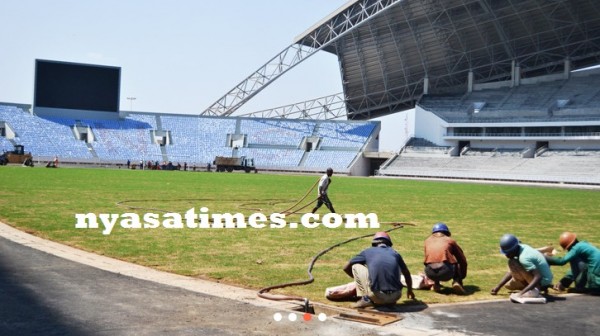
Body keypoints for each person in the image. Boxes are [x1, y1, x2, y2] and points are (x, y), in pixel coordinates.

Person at [343, 231, 415, 308]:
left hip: (377, 296)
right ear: (389, 243)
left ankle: (366, 299)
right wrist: (409, 290)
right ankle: (388, 301)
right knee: (397, 267)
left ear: (374, 243)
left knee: (356, 266)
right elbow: (406, 273)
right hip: (396, 296)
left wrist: (359, 282)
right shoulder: (395, 253)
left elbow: (346, 267)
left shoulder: (367, 251)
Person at [491, 234, 553, 300]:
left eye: (507, 253)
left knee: (512, 263)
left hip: (542, 281)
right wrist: (498, 287)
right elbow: (511, 272)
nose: (506, 255)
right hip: (546, 279)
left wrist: (522, 293)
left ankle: (535, 290)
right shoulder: (522, 247)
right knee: (508, 285)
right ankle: (534, 287)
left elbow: (538, 276)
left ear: (512, 251)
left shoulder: (524, 258)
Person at [424, 222, 468, 294]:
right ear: (446, 233)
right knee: (455, 261)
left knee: (432, 260)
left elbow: (427, 259)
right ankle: (456, 282)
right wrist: (461, 276)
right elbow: (462, 260)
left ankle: (436, 284)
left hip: (430, 273)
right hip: (446, 272)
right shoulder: (450, 241)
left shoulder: (427, 241)